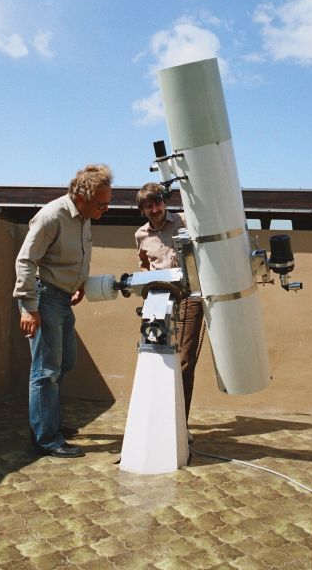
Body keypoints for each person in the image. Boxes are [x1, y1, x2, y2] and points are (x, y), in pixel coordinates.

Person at [13, 164, 113, 458]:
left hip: (63, 298)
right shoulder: (51, 216)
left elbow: (78, 254)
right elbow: (25, 261)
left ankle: (49, 421)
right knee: (46, 371)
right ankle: (46, 438)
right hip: (44, 298)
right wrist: (28, 307)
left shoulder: (84, 217)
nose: (105, 209)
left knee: (65, 362)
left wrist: (79, 283)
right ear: (81, 197)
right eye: (101, 204)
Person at [135, 183, 204, 438]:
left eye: (157, 203)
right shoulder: (141, 235)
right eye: (148, 206)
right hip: (159, 298)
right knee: (154, 357)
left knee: (184, 361)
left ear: (164, 203)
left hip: (189, 297)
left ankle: (178, 425)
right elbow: (144, 264)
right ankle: (158, 419)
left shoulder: (185, 221)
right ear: (142, 210)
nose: (154, 209)